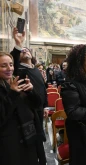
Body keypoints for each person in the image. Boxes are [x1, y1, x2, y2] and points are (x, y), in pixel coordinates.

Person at [10, 27, 48, 165]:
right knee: (33, 141)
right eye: (22, 51)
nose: (25, 50)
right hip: (28, 111)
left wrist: (45, 106)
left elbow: (44, 89)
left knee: (40, 139)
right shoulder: (19, 69)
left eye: (27, 50)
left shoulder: (36, 70)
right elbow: (12, 62)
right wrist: (18, 44)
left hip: (39, 108)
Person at [0, 52, 43, 165]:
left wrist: (31, 91)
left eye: (11, 64)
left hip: (29, 136)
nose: (9, 68)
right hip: (9, 143)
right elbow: (2, 115)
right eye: (4, 65)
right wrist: (12, 93)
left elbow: (38, 105)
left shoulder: (18, 82)